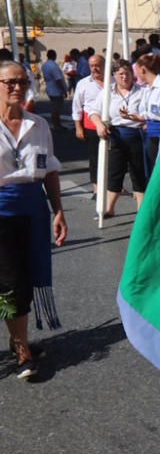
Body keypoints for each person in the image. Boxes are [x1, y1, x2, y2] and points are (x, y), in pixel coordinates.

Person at [0, 60, 68, 380]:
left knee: (26, 276)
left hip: (33, 209)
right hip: (1, 211)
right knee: (10, 281)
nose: (17, 87)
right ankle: (22, 348)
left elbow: (50, 170)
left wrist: (58, 210)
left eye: (22, 82)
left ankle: (20, 339)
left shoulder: (38, 124)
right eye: (9, 82)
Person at [88, 59, 148, 216]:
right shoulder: (108, 92)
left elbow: (148, 113)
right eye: (120, 74)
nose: (124, 77)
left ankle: (141, 211)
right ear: (114, 75)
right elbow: (93, 111)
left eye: (127, 73)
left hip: (137, 135)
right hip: (116, 136)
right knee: (114, 172)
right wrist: (99, 125)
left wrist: (139, 118)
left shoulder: (142, 91)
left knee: (138, 173)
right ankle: (109, 208)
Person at [72, 54, 106, 198]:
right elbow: (77, 107)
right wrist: (78, 127)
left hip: (112, 124)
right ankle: (96, 189)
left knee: (115, 158)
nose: (94, 68)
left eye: (97, 65)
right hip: (91, 126)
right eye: (91, 65)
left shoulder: (113, 81)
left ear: (104, 65)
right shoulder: (83, 83)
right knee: (95, 158)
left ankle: (114, 186)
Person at [130, 53, 160, 172]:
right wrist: (139, 117)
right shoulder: (146, 88)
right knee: (151, 169)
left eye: (135, 70)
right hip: (149, 133)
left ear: (142, 69)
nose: (134, 73)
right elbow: (149, 112)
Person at [40, 49, 68, 130]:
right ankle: (57, 125)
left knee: (54, 107)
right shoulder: (53, 66)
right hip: (56, 90)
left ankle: (56, 124)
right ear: (54, 56)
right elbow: (58, 79)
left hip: (50, 87)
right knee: (57, 108)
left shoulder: (45, 65)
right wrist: (63, 90)